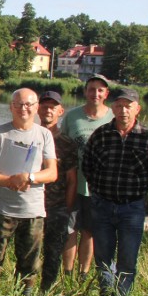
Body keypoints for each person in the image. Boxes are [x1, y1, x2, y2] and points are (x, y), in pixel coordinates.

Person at [83, 88, 148, 296]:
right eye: (119, 106)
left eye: (128, 106)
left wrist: (139, 193)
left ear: (137, 108)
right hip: (103, 207)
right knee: (103, 260)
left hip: (132, 208)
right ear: (113, 108)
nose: (123, 110)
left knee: (127, 261)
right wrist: (99, 194)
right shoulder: (100, 135)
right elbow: (87, 166)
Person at [0, 88, 58, 296]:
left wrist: (29, 177)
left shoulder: (44, 135)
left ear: (36, 107)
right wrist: (7, 181)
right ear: (11, 107)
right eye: (19, 104)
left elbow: (52, 173)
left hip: (33, 212)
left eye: (29, 104)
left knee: (29, 265)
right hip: (1, 209)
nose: (24, 108)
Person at [61, 74, 113, 280]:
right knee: (70, 230)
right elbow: (62, 147)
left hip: (99, 188)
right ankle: (67, 273)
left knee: (89, 231)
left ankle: (83, 274)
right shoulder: (72, 117)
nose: (95, 94)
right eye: (92, 89)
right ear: (85, 92)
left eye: (100, 90)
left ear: (106, 94)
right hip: (73, 183)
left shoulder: (113, 118)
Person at [36, 92, 79, 293]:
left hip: (56, 206)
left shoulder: (67, 143)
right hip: (32, 205)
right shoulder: (30, 136)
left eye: (53, 107)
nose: (48, 110)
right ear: (37, 109)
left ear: (60, 111)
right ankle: (24, 292)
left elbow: (72, 180)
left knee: (53, 254)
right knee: (30, 253)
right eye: (44, 105)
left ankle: (46, 293)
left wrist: (67, 208)